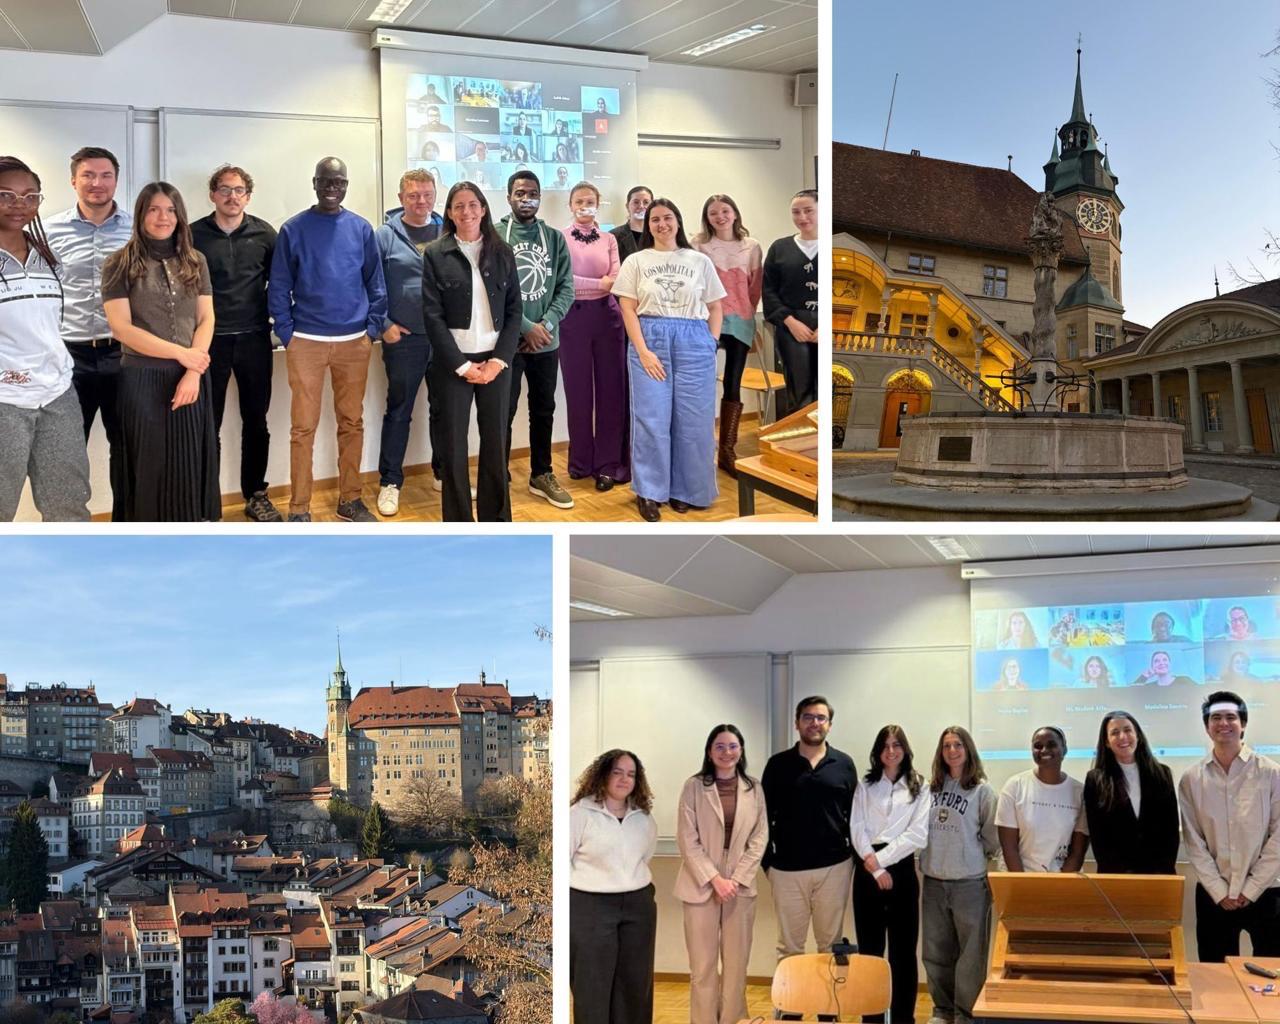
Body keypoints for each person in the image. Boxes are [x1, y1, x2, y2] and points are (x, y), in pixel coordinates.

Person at [268, 156, 386, 522]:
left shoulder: (361, 229)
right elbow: (279, 285)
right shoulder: (293, 229)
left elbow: (376, 284)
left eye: (339, 183)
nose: (332, 189)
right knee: (303, 428)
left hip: (354, 342)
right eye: (325, 182)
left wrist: (371, 329)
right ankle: (299, 507)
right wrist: (288, 333)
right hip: (306, 341)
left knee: (352, 422)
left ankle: (350, 499)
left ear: (346, 186)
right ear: (314, 183)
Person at [101, 182, 219, 521]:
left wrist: (193, 370)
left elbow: (206, 317)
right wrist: (182, 356)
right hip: (142, 379)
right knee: (148, 462)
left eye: (170, 210)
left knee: (187, 460)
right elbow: (122, 329)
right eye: (153, 209)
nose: (162, 217)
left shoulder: (196, 261)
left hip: (190, 377)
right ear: (140, 214)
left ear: (180, 217)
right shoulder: (118, 264)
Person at [612, 197, 725, 522]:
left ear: (678, 221)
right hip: (651, 338)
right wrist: (644, 350)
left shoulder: (698, 260)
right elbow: (628, 307)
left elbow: (715, 305)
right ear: (648, 226)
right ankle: (650, 491)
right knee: (652, 418)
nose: (662, 224)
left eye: (667, 217)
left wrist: (710, 342)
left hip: (694, 339)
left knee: (694, 420)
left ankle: (687, 489)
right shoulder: (636, 260)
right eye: (655, 220)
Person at [421, 181, 521, 522]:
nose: (467, 212)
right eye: (459, 206)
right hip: (453, 366)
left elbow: (513, 312)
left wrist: (498, 361)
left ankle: (497, 521)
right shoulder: (436, 253)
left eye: (473, 204)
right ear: (449, 212)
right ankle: (459, 522)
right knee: (453, 449)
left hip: (494, 364)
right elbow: (432, 316)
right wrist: (462, 366)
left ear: (483, 209)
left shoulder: (502, 251)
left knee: (495, 445)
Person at [0, 155, 91, 521]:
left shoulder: (48, 255)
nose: (19, 205)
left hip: (57, 396)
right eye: (6, 195)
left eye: (29, 196)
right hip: (5, 399)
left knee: (68, 503)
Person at [44, 146, 133, 519]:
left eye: (105, 175)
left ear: (116, 179)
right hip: (69, 357)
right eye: (88, 175)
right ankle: (68, 530)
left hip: (124, 354)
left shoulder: (136, 228)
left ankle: (127, 524)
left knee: (127, 447)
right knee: (66, 452)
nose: (97, 183)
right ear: (73, 180)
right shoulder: (48, 230)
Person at [190, 164, 280, 522]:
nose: (232, 196)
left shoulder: (265, 234)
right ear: (213, 194)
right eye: (225, 189)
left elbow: (283, 281)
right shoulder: (192, 235)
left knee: (256, 421)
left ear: (248, 195)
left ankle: (256, 494)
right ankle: (204, 500)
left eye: (239, 190)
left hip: (255, 341)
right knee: (205, 425)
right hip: (207, 344)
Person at [675, 725, 767, 1024]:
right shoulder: (693, 787)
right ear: (709, 751)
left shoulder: (754, 788)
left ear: (741, 750)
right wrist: (715, 879)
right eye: (720, 746)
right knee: (702, 968)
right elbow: (687, 839)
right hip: (700, 887)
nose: (727, 752)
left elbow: (760, 838)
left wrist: (736, 881)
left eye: (732, 746)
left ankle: (733, 1020)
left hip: (740, 890)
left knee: (737, 966)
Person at [1179, 691, 1280, 961]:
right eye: (1216, 718)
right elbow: (1193, 840)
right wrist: (1221, 891)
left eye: (1231, 717)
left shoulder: (1271, 773)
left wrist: (1250, 889)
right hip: (1214, 895)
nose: (1223, 723)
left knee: (1273, 978)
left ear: (1243, 724)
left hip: (1266, 891)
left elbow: (1278, 836)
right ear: (1207, 727)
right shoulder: (1191, 778)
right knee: (1215, 977)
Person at [760, 696, 857, 970]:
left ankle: (829, 1013)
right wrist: (768, 863)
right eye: (808, 717)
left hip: (834, 868)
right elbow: (762, 816)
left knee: (831, 946)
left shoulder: (844, 764)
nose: (815, 723)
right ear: (797, 723)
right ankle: (791, 1012)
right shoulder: (778, 765)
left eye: (821, 718)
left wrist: (852, 859)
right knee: (790, 949)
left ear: (829, 724)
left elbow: (856, 818)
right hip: (787, 871)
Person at [498, 171, 575, 509]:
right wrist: (525, 326)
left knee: (543, 410)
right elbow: (493, 291)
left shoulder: (554, 238)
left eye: (532, 193)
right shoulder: (496, 235)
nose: (526, 198)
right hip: (507, 343)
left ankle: (541, 474)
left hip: (547, 341)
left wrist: (545, 324)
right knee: (502, 410)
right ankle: (497, 473)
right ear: (509, 196)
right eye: (519, 193)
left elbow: (566, 287)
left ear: (540, 197)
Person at [374, 170, 445, 516]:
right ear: (401, 197)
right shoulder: (384, 236)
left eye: (427, 195)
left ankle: (443, 474)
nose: (421, 201)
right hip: (404, 340)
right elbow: (368, 286)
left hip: (445, 339)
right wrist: (383, 325)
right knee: (399, 410)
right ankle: (390, 482)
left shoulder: (450, 231)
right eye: (414, 195)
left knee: (445, 410)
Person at [570, 749, 658, 1024]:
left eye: (631, 774)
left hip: (638, 905)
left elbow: (645, 856)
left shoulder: (643, 817)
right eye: (617, 772)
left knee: (635, 984)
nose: (624, 779)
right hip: (590, 905)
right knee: (592, 985)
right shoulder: (579, 814)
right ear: (603, 775)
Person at [851, 725, 929, 1024]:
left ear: (905, 749)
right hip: (867, 871)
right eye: (885, 745)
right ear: (878, 751)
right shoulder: (865, 784)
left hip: (901, 871)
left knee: (903, 954)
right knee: (870, 952)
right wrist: (874, 866)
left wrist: (880, 861)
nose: (891, 750)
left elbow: (918, 834)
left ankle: (902, 1019)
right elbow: (856, 827)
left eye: (897, 744)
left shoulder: (920, 785)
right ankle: (871, 1018)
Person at [921, 727, 998, 1024]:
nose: (952, 750)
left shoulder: (982, 790)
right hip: (934, 882)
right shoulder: (931, 788)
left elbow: (991, 838)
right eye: (946, 746)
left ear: (968, 749)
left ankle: (965, 1013)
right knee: (935, 951)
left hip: (970, 883)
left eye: (958, 745)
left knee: (970, 955)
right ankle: (942, 1010)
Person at [559, 181, 628, 491]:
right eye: (579, 200)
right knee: (578, 392)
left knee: (611, 392)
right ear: (570, 205)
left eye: (590, 200)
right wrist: (595, 282)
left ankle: (608, 464)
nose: (584, 205)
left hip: (608, 317)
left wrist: (599, 284)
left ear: (598, 204)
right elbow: (564, 280)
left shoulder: (609, 239)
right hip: (572, 319)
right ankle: (580, 461)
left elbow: (615, 279)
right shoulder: (560, 238)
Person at [693, 194, 762, 478]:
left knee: (733, 384)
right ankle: (699, 449)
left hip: (741, 320)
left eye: (725, 211)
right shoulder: (698, 245)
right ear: (707, 218)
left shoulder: (752, 246)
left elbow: (755, 286)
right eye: (713, 213)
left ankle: (727, 450)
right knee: (701, 383)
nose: (719, 217)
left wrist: (747, 312)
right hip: (708, 319)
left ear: (735, 213)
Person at [1083, 711, 1179, 874]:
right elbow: (1098, 836)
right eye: (1115, 732)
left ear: (1138, 735)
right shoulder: (1095, 780)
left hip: (1159, 874)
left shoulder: (1162, 774)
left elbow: (1171, 829)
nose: (1122, 736)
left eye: (1128, 730)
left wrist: (1161, 870)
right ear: (1106, 742)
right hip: (1116, 876)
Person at [996, 726, 1089, 872]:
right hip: (1020, 879)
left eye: (1052, 745)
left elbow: (1078, 852)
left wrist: (1059, 886)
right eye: (1038, 746)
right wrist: (1024, 885)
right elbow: (1009, 848)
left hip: (1062, 881)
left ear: (1064, 749)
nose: (1044, 750)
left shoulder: (1080, 792)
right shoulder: (1014, 786)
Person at [763, 189, 818, 411]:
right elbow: (768, 290)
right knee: (798, 387)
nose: (802, 217)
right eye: (796, 212)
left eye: (808, 211)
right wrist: (789, 321)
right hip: (791, 324)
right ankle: (802, 442)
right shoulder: (780, 248)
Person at [612, 186, 652, 264]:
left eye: (646, 202)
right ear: (627, 206)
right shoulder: (613, 236)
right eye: (636, 202)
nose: (641, 206)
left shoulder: (659, 235)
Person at [1130, 650, 1195, 687]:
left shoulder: (1184, 680)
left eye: (1164, 660)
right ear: (1152, 666)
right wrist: (1144, 677)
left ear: (1170, 664)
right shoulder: (1149, 686)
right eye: (1156, 661)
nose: (1161, 663)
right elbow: (1131, 691)